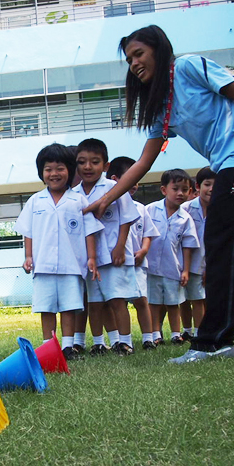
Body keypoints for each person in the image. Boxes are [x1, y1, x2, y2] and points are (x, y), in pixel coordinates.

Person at [85, 24, 234, 363]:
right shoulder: (161, 105)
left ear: (159, 50)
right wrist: (107, 197)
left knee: (221, 247)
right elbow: (144, 161)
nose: (134, 64)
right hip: (231, 164)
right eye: (129, 59)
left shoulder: (189, 67)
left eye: (139, 54)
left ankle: (214, 340)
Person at [16, 143, 103, 360]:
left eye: (60, 168)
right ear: (41, 173)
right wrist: (28, 256)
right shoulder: (35, 200)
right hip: (43, 264)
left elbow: (89, 231)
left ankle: (67, 347)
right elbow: (28, 231)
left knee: (69, 307)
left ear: (70, 170)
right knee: (46, 308)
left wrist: (92, 258)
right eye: (48, 169)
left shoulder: (78, 200)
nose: (54, 173)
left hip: (71, 265)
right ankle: (48, 348)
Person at [73, 138, 141, 355]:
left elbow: (127, 218)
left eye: (94, 162)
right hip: (89, 258)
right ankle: (99, 343)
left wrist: (120, 246)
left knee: (117, 300)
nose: (87, 167)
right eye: (82, 162)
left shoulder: (114, 187)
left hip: (114, 255)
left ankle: (125, 342)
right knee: (94, 303)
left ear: (106, 165)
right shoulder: (74, 194)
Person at [107, 156, 160, 350]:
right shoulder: (109, 206)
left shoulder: (140, 209)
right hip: (118, 263)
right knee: (116, 301)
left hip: (138, 264)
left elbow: (148, 233)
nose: (135, 185)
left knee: (141, 300)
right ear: (115, 179)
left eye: (137, 180)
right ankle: (118, 340)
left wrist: (144, 250)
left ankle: (149, 337)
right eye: (130, 179)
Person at [145, 169, 200, 345]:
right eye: (175, 189)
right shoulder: (150, 210)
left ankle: (176, 334)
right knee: (153, 303)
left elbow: (188, 246)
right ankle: (155, 334)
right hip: (151, 267)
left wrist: (185, 270)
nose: (180, 193)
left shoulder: (186, 218)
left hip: (173, 268)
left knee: (172, 303)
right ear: (163, 190)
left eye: (185, 190)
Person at [180, 166, 214, 340]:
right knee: (186, 299)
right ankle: (187, 331)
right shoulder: (186, 209)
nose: (211, 189)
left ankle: (203, 331)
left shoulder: (222, 209)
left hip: (211, 262)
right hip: (188, 262)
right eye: (207, 184)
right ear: (198, 186)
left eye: (216, 184)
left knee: (204, 299)